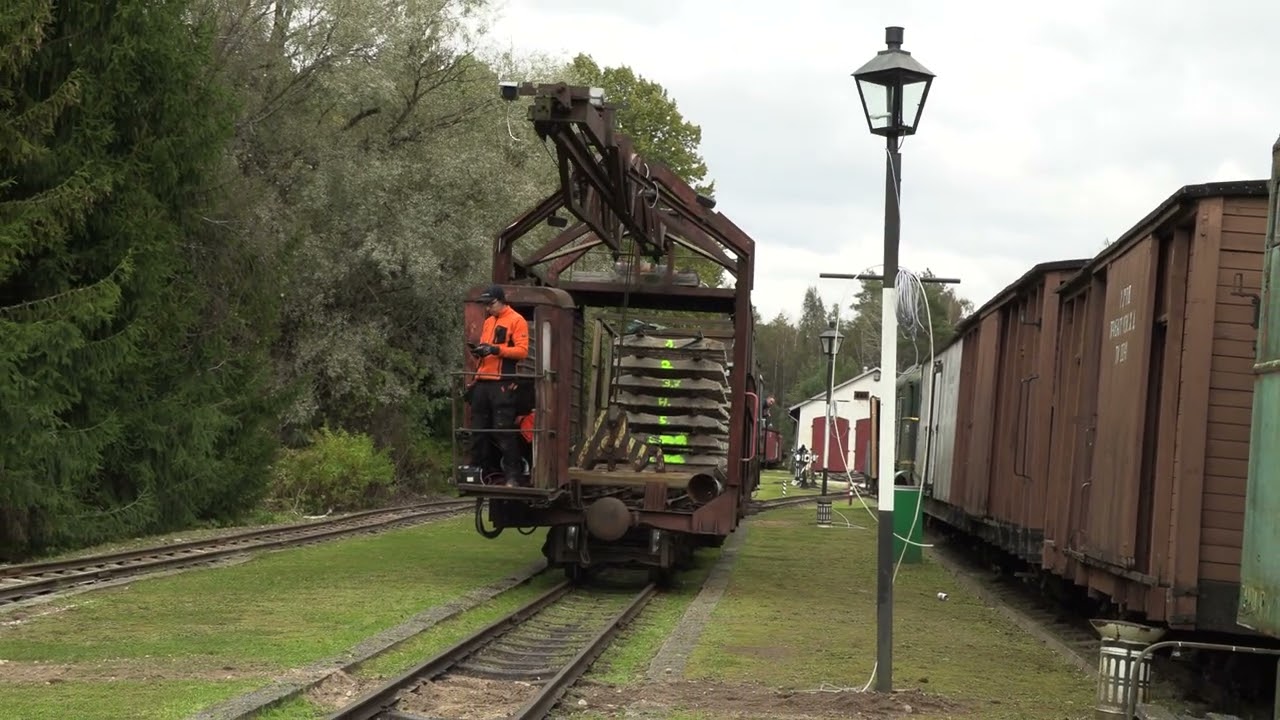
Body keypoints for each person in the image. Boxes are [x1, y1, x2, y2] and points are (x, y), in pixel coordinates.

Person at [467, 285, 529, 487]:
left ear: (502, 301)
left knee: (503, 430)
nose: (488, 308)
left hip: (502, 382)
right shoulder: (488, 322)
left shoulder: (516, 320)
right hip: (484, 381)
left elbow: (521, 351)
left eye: (491, 304)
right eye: (486, 305)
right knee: (478, 430)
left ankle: (513, 475)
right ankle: (479, 472)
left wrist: (494, 349)